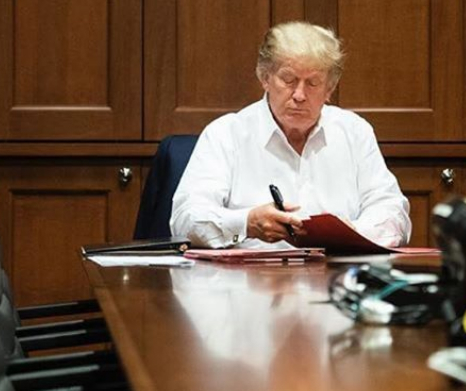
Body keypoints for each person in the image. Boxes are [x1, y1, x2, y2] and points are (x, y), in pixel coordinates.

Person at [170, 21, 412, 249]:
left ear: (330, 88)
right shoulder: (226, 134)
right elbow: (185, 219)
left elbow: (393, 212)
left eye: (313, 83)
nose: (299, 94)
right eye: (288, 79)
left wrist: (353, 232)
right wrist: (247, 223)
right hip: (249, 284)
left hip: (334, 279)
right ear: (265, 78)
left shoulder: (354, 132)